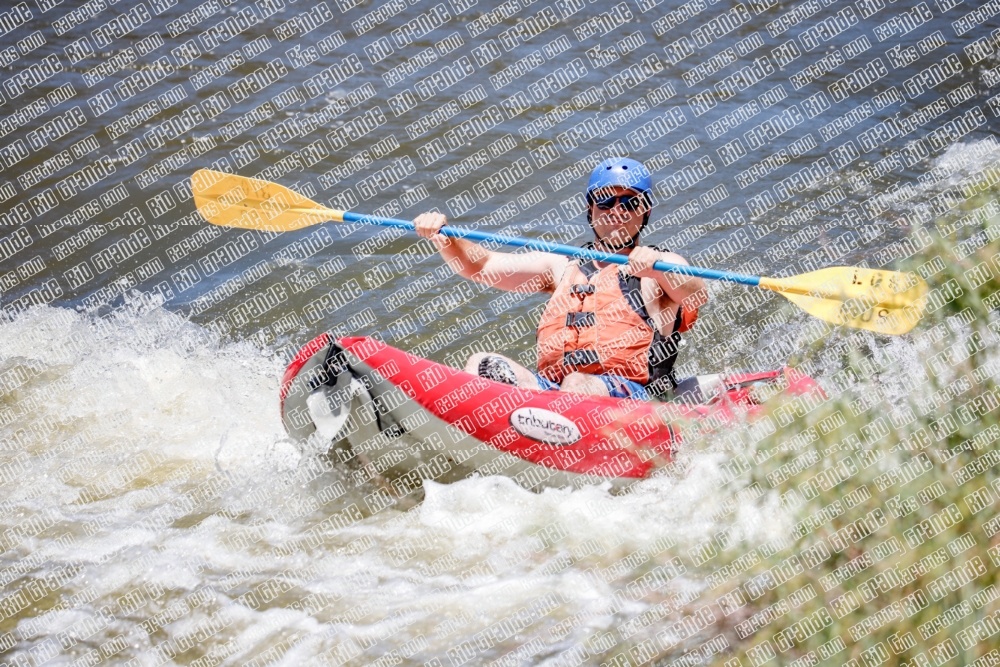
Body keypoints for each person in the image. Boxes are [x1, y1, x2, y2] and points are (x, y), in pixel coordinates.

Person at [413, 157, 708, 400]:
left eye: (630, 203)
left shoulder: (662, 265)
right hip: (558, 397)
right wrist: (444, 237)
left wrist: (655, 268)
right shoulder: (561, 267)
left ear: (645, 211)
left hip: (637, 401)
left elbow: (696, 294)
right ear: (590, 208)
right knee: (482, 363)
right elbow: (482, 265)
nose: (617, 211)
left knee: (578, 383)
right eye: (606, 201)